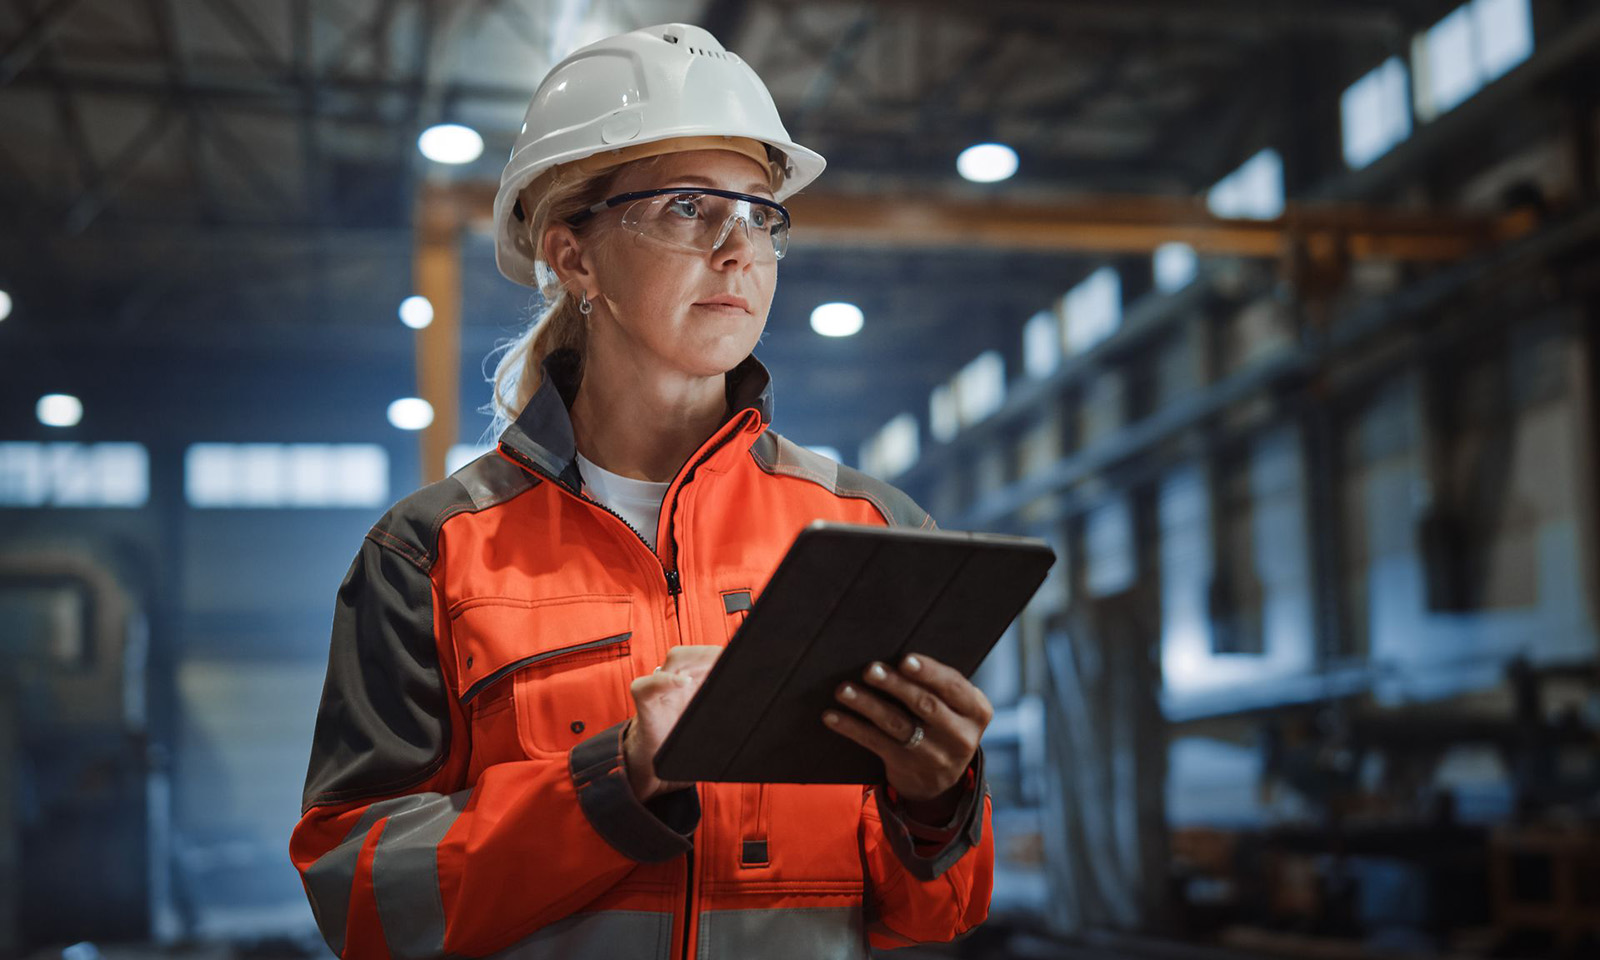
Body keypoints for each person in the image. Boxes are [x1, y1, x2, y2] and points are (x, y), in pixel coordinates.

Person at [289, 22, 994, 960]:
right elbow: (362, 900)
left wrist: (939, 803)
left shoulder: (871, 529)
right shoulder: (432, 554)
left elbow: (936, 912)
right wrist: (614, 781)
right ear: (574, 257)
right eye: (690, 208)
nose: (740, 249)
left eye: (760, 215)